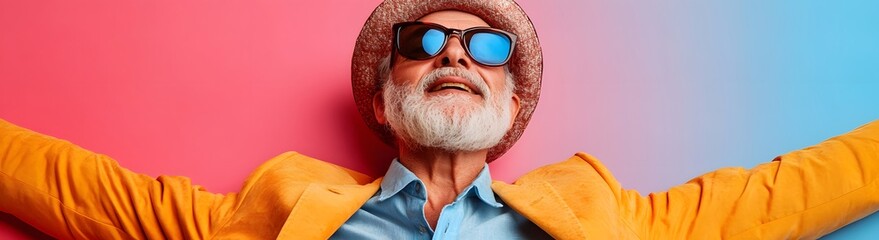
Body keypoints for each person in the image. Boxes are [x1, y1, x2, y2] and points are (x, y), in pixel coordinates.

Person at [1, 0, 878, 239]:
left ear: (510, 110)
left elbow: (778, 197)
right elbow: (91, 195)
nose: (456, 54)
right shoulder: (276, 206)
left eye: (485, 48)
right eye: (423, 42)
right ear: (383, 101)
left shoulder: (600, 209)